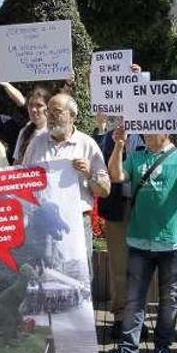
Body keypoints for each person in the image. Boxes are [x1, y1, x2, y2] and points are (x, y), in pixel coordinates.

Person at [99, 117, 177, 353]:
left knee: (169, 301)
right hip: (139, 240)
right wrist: (118, 145)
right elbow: (116, 175)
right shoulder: (138, 157)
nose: (145, 135)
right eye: (143, 131)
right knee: (134, 301)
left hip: (172, 241)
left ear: (166, 130)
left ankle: (162, 348)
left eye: (151, 130)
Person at [22, 93, 111, 263]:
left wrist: (89, 174)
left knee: (78, 275)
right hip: (42, 224)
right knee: (43, 276)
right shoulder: (36, 144)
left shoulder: (87, 144)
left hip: (75, 222)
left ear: (72, 116)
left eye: (57, 112)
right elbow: (23, 182)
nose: (51, 117)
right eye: (49, 112)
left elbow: (105, 190)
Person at [92, 111, 145, 338]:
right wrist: (103, 130)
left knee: (143, 269)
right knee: (119, 267)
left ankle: (138, 318)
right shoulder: (106, 133)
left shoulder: (148, 133)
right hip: (117, 209)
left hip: (147, 210)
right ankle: (121, 315)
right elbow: (95, 159)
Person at [12, 87, 51, 165]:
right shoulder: (24, 131)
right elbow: (18, 162)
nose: (33, 109)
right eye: (30, 105)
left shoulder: (55, 132)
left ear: (48, 108)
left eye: (39, 105)